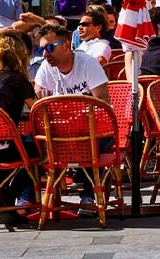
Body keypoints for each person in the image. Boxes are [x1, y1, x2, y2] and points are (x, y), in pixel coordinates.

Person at [33, 24, 111, 213]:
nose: (45, 54)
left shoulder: (87, 64)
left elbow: (102, 103)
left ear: (66, 45)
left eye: (49, 48)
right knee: (30, 143)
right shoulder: (46, 68)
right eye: (42, 49)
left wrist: (72, 114)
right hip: (61, 132)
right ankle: (27, 199)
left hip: (95, 130)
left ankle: (88, 196)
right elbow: (38, 99)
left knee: (87, 141)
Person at [0, 31, 37, 227]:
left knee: (15, 149)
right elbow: (38, 111)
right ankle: (7, 205)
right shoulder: (18, 80)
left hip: (1, 144)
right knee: (38, 153)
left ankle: (5, 206)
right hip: (3, 147)